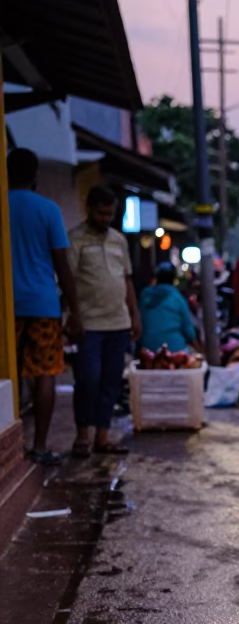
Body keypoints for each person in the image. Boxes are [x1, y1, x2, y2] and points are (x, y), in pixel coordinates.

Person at [7, 148, 81, 465]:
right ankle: (38, 445)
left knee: (4, 375)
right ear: (36, 178)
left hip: (5, 306)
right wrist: (75, 310)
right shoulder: (48, 210)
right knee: (45, 374)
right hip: (42, 304)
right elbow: (62, 264)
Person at [67, 186, 141, 457]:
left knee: (111, 380)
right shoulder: (75, 239)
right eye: (101, 213)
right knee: (88, 379)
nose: (106, 219)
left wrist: (134, 314)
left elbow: (127, 279)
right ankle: (82, 435)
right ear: (89, 209)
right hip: (88, 323)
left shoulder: (119, 240)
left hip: (119, 322)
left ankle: (102, 437)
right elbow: (69, 281)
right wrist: (72, 317)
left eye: (110, 214)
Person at [138, 262, 197, 353]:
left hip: (147, 349)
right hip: (175, 350)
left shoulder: (145, 294)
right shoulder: (177, 297)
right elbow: (189, 331)